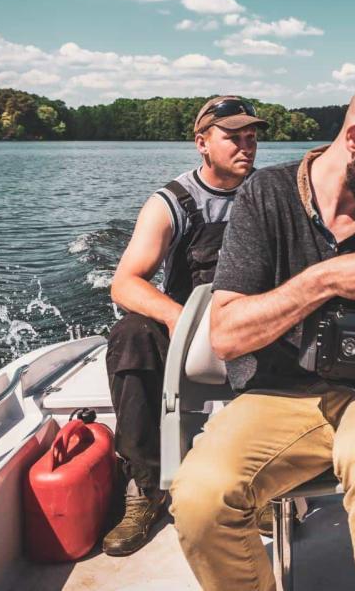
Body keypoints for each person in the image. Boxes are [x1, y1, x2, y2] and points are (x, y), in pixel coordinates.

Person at [171, 76, 355, 591]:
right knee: (200, 497)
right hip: (275, 394)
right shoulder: (265, 195)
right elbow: (225, 335)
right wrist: (324, 280)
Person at [101, 96, 268, 557]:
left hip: (254, 320)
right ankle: (146, 487)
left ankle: (269, 479)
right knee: (131, 336)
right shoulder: (172, 202)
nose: (246, 146)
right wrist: (176, 318)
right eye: (232, 136)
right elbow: (125, 282)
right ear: (202, 143)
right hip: (189, 324)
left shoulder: (272, 193)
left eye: (251, 137)